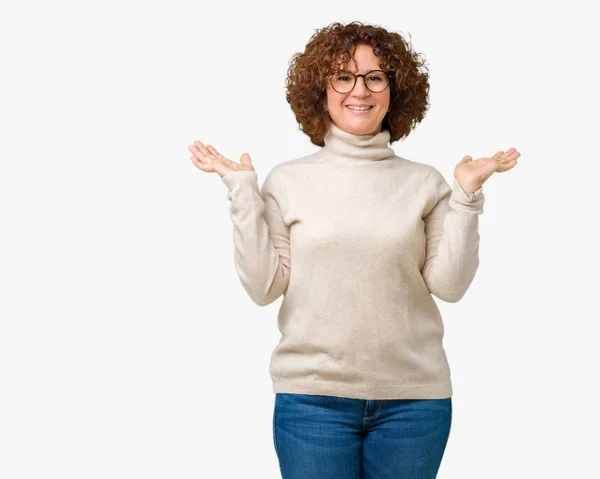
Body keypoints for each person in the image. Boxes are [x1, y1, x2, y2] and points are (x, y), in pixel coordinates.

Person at [189, 21, 520, 479]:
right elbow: (265, 288)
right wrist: (243, 193)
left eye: (375, 77)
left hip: (414, 404)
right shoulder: (287, 182)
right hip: (312, 403)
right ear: (321, 91)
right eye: (343, 77)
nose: (358, 91)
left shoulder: (425, 183)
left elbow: (450, 285)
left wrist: (466, 197)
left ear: (394, 89)